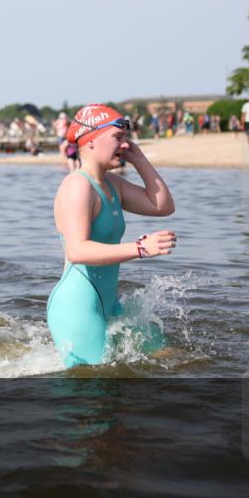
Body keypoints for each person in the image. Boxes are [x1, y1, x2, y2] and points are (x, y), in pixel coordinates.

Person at [45, 105, 176, 367]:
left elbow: (162, 206)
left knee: (168, 357)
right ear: (91, 141)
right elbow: (77, 251)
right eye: (118, 137)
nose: (125, 144)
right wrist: (140, 248)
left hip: (108, 303)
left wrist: (139, 159)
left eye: (126, 138)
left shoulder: (112, 184)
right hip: (77, 306)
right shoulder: (77, 186)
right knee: (94, 383)